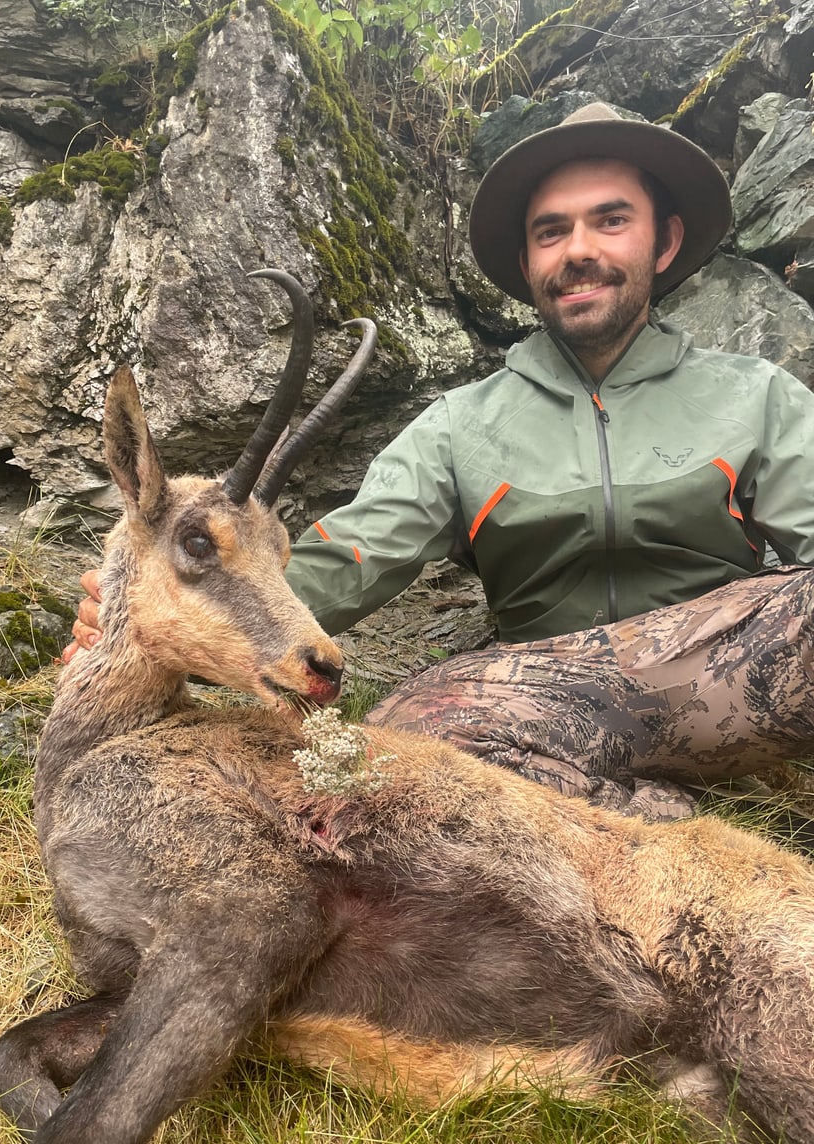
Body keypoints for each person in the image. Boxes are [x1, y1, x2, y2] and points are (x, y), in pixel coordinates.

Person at [66, 103, 814, 822]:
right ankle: (641, 825)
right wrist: (164, 595)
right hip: (554, 700)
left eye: (611, 220)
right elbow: (352, 557)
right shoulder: (460, 425)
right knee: (413, 725)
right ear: (527, 261)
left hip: (731, 679)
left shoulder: (758, 397)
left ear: (665, 241)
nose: (580, 249)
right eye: (552, 231)